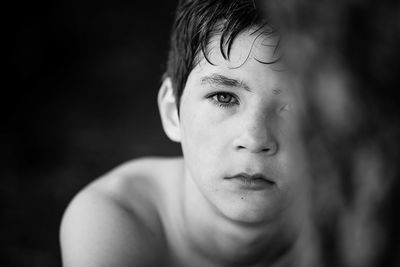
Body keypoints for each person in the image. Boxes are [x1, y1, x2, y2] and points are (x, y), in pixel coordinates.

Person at [60, 0, 307, 266]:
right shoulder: (111, 220)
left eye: (295, 106)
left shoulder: (349, 232)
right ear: (171, 110)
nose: (255, 139)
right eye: (223, 97)